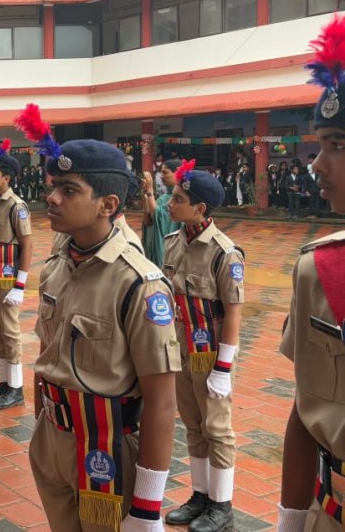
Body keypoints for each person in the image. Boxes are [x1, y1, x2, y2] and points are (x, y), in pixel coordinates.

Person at [14, 103, 180, 532]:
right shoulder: (58, 265)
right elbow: (48, 352)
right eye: (54, 186)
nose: (52, 197)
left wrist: (147, 507)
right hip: (52, 437)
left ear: (107, 204)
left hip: (105, 445)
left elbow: (162, 400)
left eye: (69, 190)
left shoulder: (138, 283)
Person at [277, 14, 345, 532]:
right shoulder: (318, 269)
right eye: (319, 145)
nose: (316, 164)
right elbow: (306, 408)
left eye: (336, 146)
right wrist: (290, 522)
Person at [162, 161, 244, 532]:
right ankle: (200, 495)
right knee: (193, 425)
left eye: (178, 199)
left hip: (210, 353)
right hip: (181, 350)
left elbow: (233, 311)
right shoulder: (173, 242)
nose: (170, 203)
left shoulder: (224, 253)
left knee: (218, 429)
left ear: (200, 208)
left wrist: (223, 368)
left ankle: (221, 506)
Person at [0, 138, 33, 410]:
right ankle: (4, 381)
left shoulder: (16, 206)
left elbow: (27, 244)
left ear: (7, 178)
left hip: (7, 273)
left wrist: (20, 284)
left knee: (10, 329)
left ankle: (16, 387)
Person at [141, 159, 182, 268]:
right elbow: (148, 222)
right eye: (161, 172)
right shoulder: (164, 197)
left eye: (165, 172)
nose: (161, 176)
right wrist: (145, 197)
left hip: (169, 251)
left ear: (177, 172)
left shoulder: (180, 198)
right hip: (152, 248)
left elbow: (159, 216)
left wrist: (150, 190)